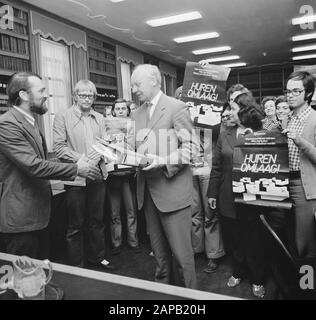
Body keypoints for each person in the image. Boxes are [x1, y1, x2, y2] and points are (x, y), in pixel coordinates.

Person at [0, 72, 100, 259]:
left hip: (38, 213)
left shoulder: (29, 122)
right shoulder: (7, 124)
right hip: (21, 217)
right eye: (41, 90)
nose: (46, 95)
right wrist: (77, 168)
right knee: (25, 279)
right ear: (23, 95)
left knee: (38, 273)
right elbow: (34, 166)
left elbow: (41, 161)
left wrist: (77, 164)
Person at [129, 64, 197, 288]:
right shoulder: (135, 113)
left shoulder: (177, 107)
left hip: (173, 193)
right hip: (147, 194)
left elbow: (191, 148)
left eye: (137, 84)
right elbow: (135, 149)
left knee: (182, 259)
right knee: (159, 258)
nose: (133, 89)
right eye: (132, 85)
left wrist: (162, 161)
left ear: (155, 81)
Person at [207, 93, 267, 298]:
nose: (227, 112)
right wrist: (212, 193)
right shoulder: (225, 134)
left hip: (253, 197)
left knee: (254, 240)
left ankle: (257, 278)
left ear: (243, 110)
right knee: (235, 239)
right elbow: (216, 167)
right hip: (227, 196)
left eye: (232, 108)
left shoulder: (263, 132)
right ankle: (238, 272)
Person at [53, 79, 116, 270]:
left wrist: (107, 152)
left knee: (97, 221)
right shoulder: (62, 117)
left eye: (91, 95)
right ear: (75, 96)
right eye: (83, 95)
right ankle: (77, 265)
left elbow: (105, 145)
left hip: (97, 175)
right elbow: (58, 147)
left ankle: (97, 258)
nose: (87, 98)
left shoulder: (100, 118)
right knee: (75, 224)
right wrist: (83, 160)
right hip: (75, 177)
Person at [282, 70, 316, 259]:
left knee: (306, 243)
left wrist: (300, 141)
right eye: (288, 92)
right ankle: (294, 282)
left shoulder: (314, 119)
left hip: (305, 188)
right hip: (283, 185)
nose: (290, 95)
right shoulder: (288, 118)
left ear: (308, 93)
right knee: (289, 238)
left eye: (296, 91)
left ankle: (307, 286)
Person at [106, 98, 140, 255]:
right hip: (113, 174)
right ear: (113, 111)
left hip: (128, 174)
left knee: (131, 210)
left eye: (123, 108)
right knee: (114, 212)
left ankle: (133, 241)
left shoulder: (134, 126)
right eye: (117, 109)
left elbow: (136, 148)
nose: (120, 111)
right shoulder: (105, 126)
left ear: (128, 111)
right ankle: (116, 243)